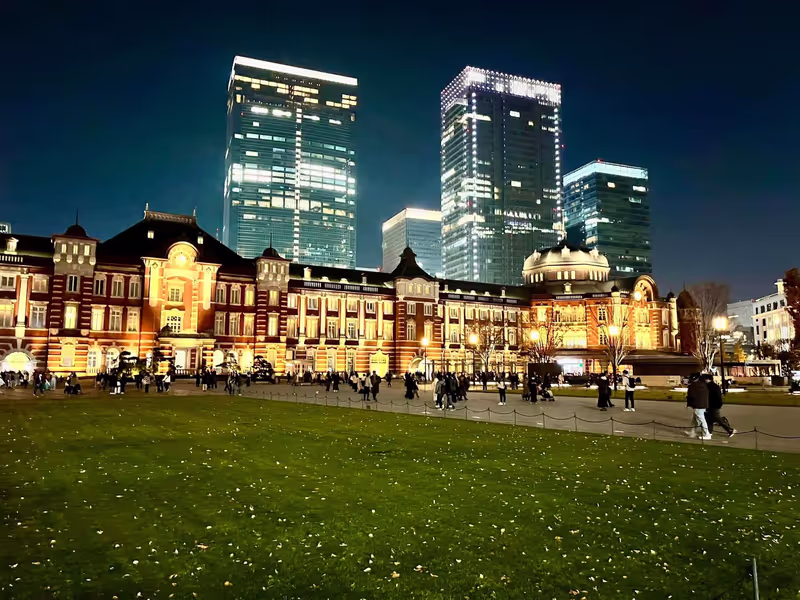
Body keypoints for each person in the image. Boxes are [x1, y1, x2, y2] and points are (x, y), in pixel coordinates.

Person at [685, 374, 711, 439]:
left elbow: (691, 396)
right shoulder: (702, 384)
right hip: (703, 404)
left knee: (701, 419)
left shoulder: (694, 386)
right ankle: (692, 432)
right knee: (695, 420)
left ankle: (707, 434)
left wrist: (689, 403)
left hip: (698, 405)